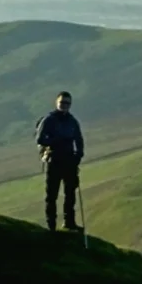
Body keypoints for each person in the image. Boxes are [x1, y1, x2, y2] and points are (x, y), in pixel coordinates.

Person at [35, 91, 84, 232]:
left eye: (67, 103)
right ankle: (51, 225)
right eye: (62, 102)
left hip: (69, 161)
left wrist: (78, 156)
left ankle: (69, 222)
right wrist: (56, 142)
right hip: (54, 159)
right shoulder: (49, 120)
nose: (64, 105)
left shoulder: (72, 121)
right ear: (57, 103)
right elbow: (40, 139)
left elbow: (79, 140)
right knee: (52, 194)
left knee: (70, 193)